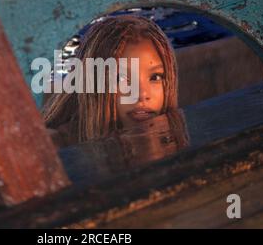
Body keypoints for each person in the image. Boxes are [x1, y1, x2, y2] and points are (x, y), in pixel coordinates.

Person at [42, 15, 188, 151]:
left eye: (155, 77)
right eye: (121, 78)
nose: (142, 94)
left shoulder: (176, 139)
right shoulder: (61, 148)